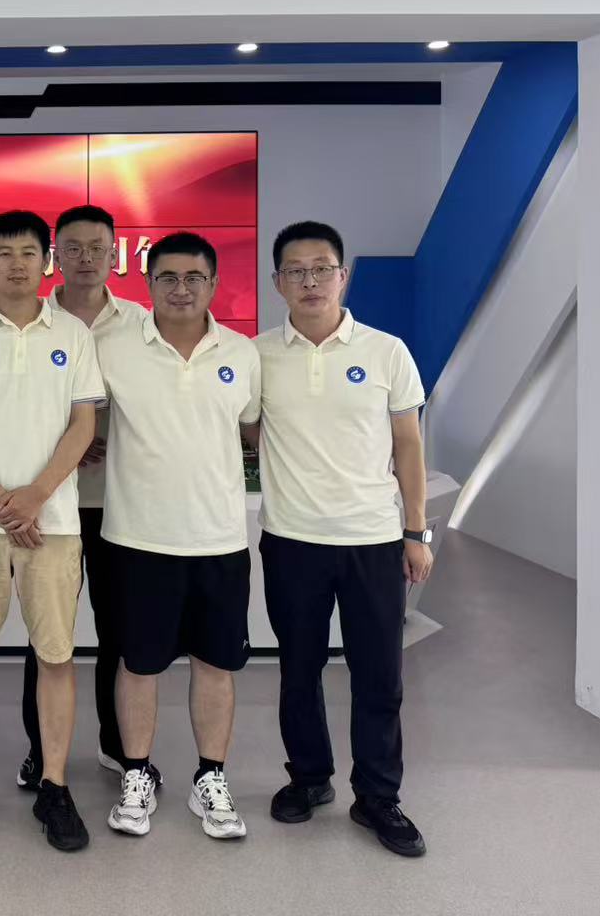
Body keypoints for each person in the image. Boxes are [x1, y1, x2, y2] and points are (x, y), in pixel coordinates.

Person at [254, 220, 431, 858]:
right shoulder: (256, 356)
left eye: (322, 268)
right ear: (278, 282)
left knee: (379, 675)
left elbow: (408, 446)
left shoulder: (387, 352)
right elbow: (242, 429)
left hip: (372, 540)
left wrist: (415, 531)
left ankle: (378, 796)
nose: (310, 281)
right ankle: (308, 778)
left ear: (343, 275)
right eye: (296, 271)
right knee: (297, 670)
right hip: (292, 540)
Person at [0, 210, 105, 853]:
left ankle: (55, 786)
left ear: (45, 262)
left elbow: (83, 425)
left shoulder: (74, 336)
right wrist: (4, 503)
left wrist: (34, 498)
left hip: (53, 525)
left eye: (29, 252)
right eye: (4, 253)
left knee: (56, 657)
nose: (17, 263)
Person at [99, 232, 260, 842]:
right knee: (139, 664)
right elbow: (78, 418)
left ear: (214, 284)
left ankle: (210, 778)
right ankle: (136, 774)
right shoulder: (112, 348)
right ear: (148, 283)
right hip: (138, 539)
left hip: (219, 540)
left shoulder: (242, 353)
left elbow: (256, 431)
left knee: (215, 664)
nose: (181, 288)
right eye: (167, 277)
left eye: (194, 277)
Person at [18, 204, 135, 791]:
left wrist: (102, 436)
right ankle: (40, 751)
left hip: (121, 504)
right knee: (47, 634)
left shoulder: (141, 324)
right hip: (49, 503)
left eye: (97, 247)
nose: (85, 258)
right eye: (73, 248)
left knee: (119, 629)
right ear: (54, 256)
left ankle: (118, 746)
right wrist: (67, 444)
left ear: (115, 254)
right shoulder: (29, 320)